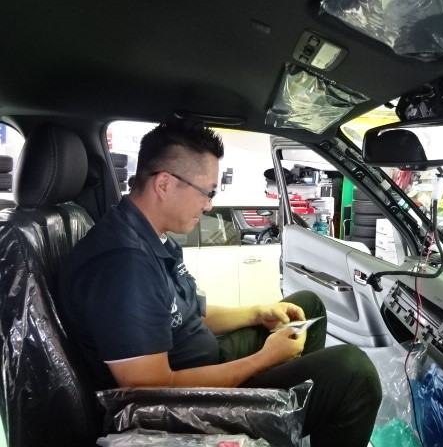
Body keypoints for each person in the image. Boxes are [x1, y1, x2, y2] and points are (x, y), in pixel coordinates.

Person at [57, 121, 382, 447]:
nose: (209, 205)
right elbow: (149, 391)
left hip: (202, 361)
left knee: (307, 307)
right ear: (164, 184)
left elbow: (189, 313)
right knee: (355, 373)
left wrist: (257, 312)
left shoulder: (149, 235)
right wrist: (263, 359)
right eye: (206, 192)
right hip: (191, 407)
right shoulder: (124, 264)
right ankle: (286, 409)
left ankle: (290, 418)